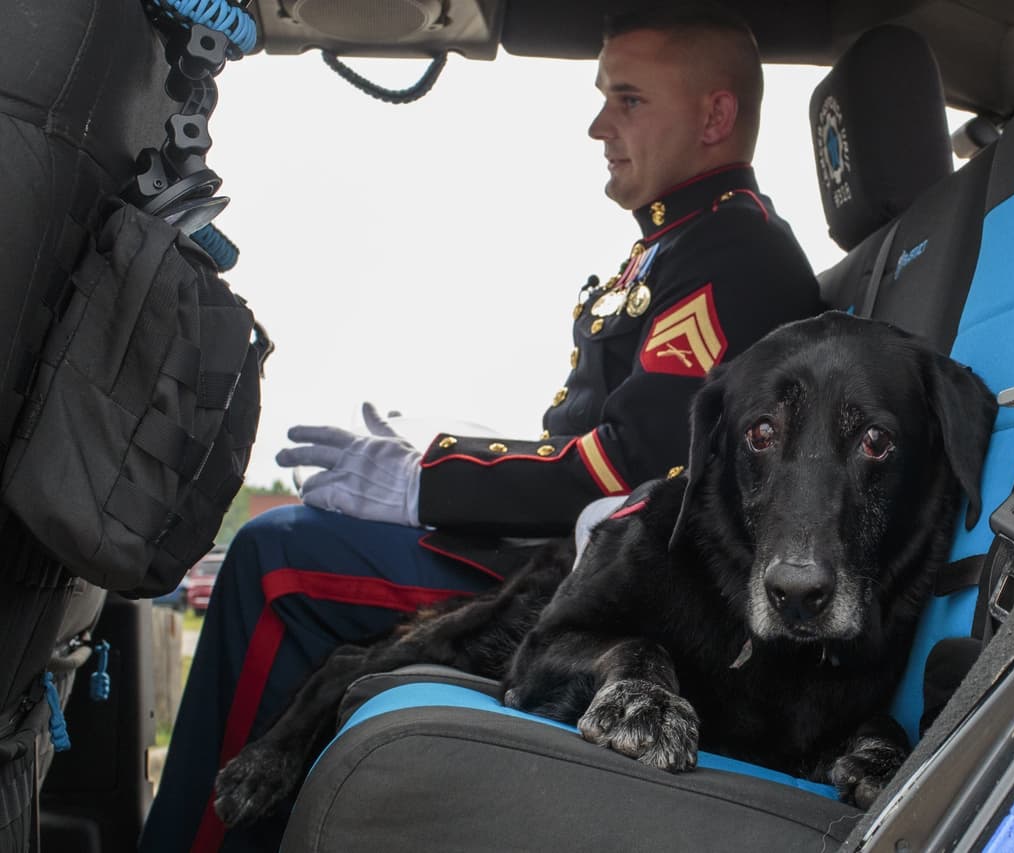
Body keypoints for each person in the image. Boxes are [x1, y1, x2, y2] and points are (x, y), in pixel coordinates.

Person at [140, 5, 823, 851]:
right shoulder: (683, 243)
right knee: (294, 538)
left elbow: (627, 468)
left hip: (599, 577)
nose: (598, 125)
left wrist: (428, 479)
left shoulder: (735, 257)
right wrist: (434, 457)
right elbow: (599, 440)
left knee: (272, 561)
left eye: (629, 100)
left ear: (715, 117)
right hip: (562, 543)